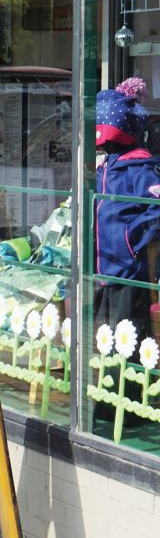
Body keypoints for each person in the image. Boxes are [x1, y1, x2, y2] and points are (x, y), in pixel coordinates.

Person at [94, 76, 160, 344]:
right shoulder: (105, 166)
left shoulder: (139, 168)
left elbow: (156, 210)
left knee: (127, 336)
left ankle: (127, 386)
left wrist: (131, 239)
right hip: (102, 268)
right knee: (105, 335)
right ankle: (108, 384)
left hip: (128, 270)